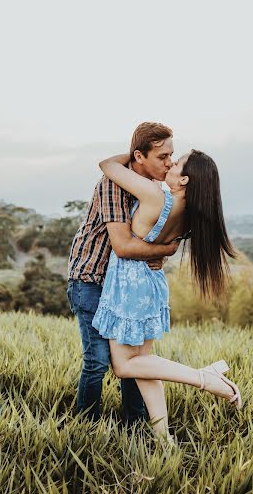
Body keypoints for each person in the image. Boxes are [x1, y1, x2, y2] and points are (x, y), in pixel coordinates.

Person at [91, 148, 241, 443]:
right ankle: (164, 438)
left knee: (124, 366)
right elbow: (165, 247)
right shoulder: (188, 216)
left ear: (184, 179)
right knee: (144, 363)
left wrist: (141, 150)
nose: (170, 163)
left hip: (130, 283)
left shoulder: (155, 195)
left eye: (176, 162)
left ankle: (204, 378)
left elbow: (106, 164)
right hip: (152, 283)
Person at [67, 122, 180, 425]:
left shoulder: (155, 190)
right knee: (98, 361)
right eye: (162, 157)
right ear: (139, 156)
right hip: (91, 279)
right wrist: (164, 252)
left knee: (133, 359)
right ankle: (85, 426)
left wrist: (160, 254)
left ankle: (135, 426)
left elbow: (152, 239)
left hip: (125, 287)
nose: (170, 163)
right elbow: (124, 247)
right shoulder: (112, 184)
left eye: (172, 156)